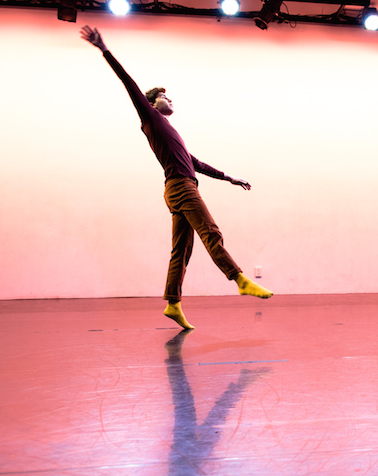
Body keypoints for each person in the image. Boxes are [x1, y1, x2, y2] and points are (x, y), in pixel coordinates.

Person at [80, 26, 272, 330]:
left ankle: (173, 303)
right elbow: (128, 83)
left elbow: (193, 162)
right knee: (211, 232)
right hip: (181, 188)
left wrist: (229, 177)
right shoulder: (151, 119)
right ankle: (240, 279)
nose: (171, 99)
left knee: (181, 250)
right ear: (153, 102)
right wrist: (104, 50)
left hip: (178, 187)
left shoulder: (171, 131)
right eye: (165, 96)